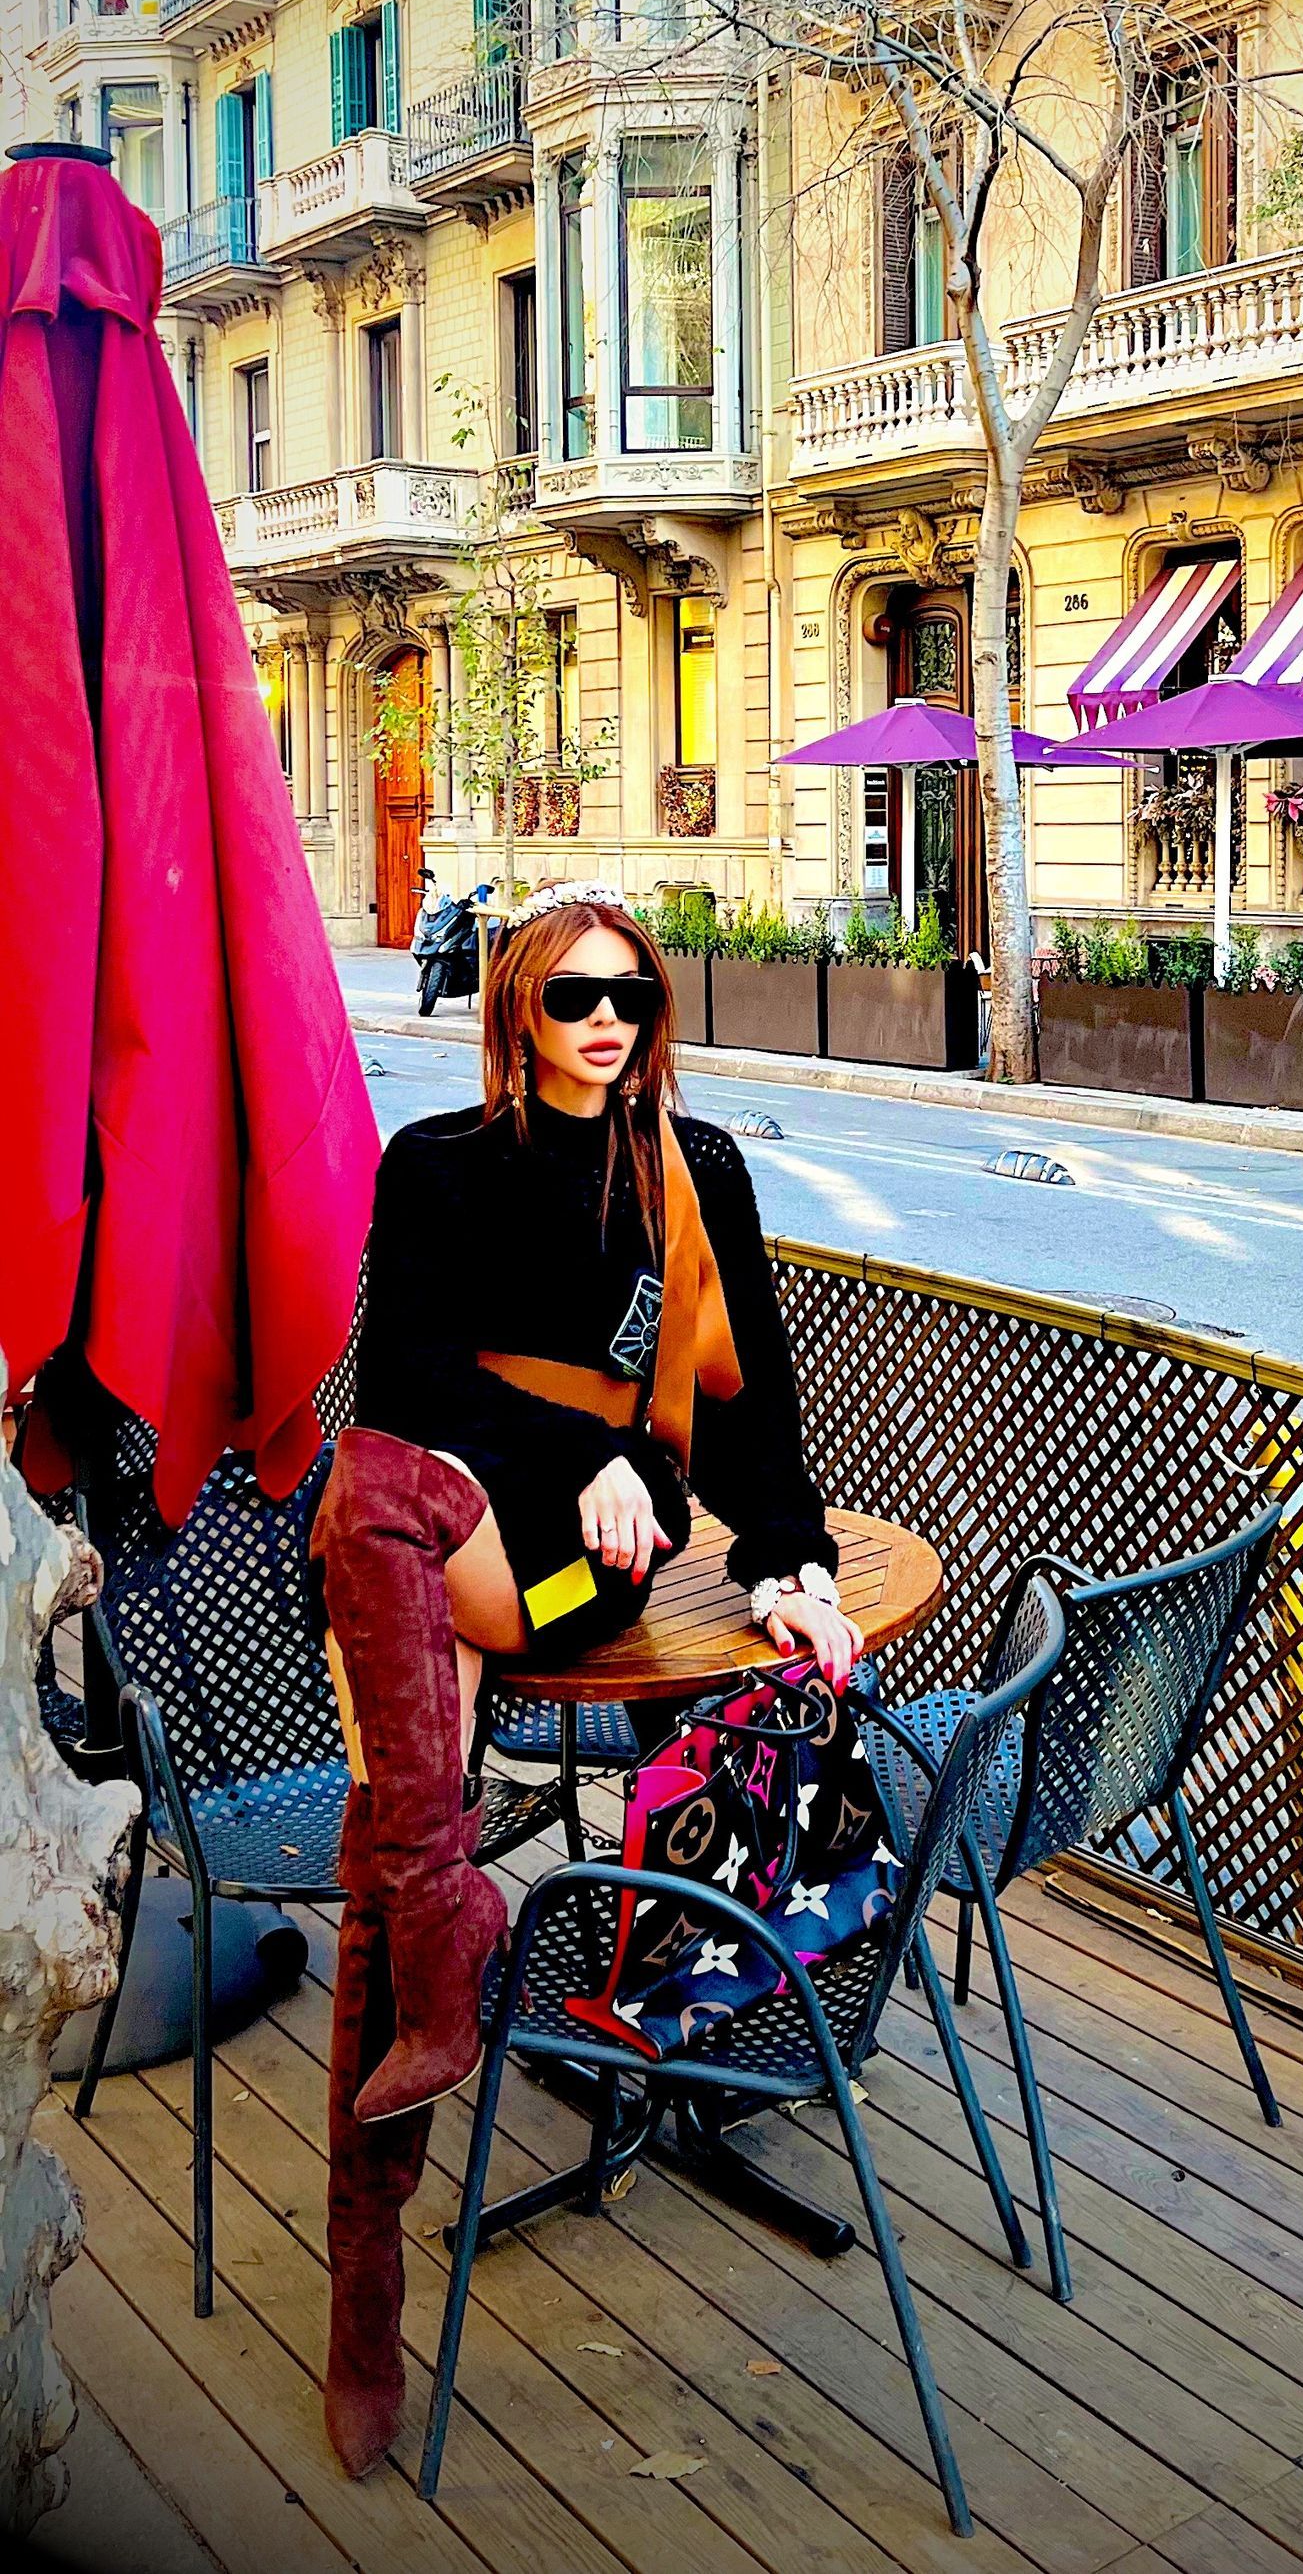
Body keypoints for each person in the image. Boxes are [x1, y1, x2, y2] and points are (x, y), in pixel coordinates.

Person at [311, 882, 859, 2476]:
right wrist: (584, 1443)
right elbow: (406, 1379)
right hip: (441, 1529)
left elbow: (750, 1402)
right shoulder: (437, 1165)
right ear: (516, 1010)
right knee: (377, 1502)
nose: (604, 1020)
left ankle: (433, 1953)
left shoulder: (698, 1172)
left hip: (570, 1570)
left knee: (368, 1530)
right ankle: (370, 2262)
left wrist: (787, 1557)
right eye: (571, 996)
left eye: (630, 995)